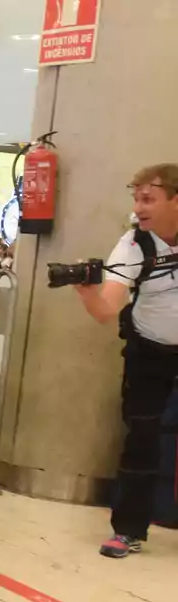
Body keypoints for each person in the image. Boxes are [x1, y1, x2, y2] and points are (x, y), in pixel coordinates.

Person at [73, 164, 178, 558]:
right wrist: (86, 290)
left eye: (148, 198)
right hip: (149, 349)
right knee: (142, 438)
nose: (139, 207)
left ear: (175, 199)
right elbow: (106, 309)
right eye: (135, 198)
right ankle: (129, 530)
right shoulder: (134, 245)